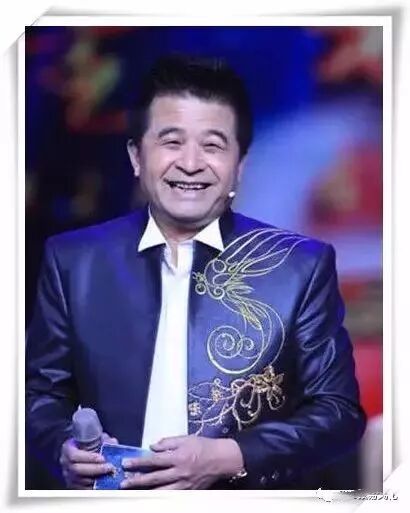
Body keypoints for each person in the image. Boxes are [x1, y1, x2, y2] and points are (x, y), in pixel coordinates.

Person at [26, 54, 366, 490]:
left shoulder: (300, 266)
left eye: (212, 145)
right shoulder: (74, 260)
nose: (190, 163)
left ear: (240, 165)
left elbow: (337, 413)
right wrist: (63, 447)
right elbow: (40, 396)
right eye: (171, 142)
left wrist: (229, 456)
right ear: (136, 156)